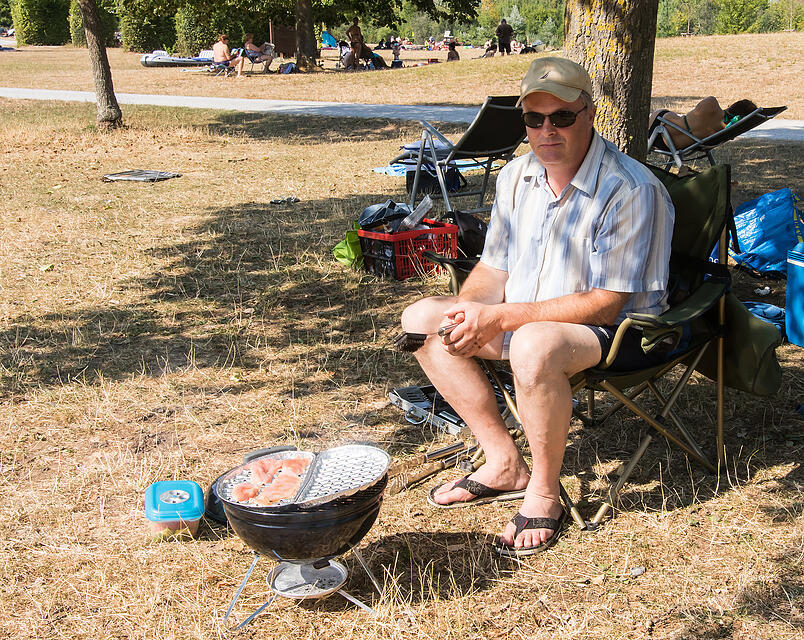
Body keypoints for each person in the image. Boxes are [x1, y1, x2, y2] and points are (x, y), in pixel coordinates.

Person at [400, 56, 675, 556]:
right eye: (533, 119)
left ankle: (544, 492)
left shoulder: (630, 189)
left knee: (531, 343)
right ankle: (503, 460)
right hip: (529, 318)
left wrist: (500, 317)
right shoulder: (515, 177)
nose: (546, 130)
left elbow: (606, 304)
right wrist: (469, 311)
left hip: (621, 333)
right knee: (422, 318)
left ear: (589, 113)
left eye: (562, 117)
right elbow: (493, 269)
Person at [649, 97, 758, 149]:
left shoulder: (711, 104)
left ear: (734, 104)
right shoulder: (728, 131)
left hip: (659, 127)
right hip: (672, 147)